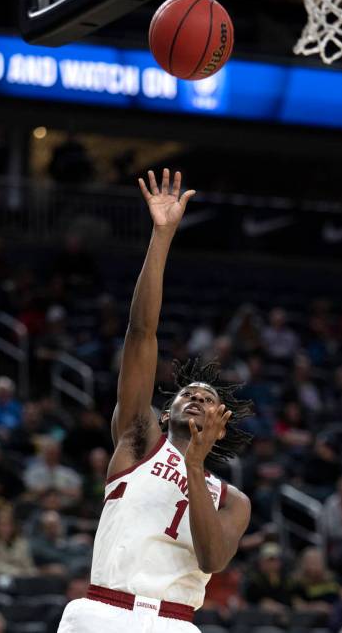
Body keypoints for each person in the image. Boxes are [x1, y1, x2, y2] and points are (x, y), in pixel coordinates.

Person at [57, 169, 253, 633]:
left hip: (175, 623)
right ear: (166, 412)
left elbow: (212, 557)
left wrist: (195, 464)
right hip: (105, 611)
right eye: (187, 394)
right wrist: (162, 236)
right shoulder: (140, 438)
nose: (196, 400)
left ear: (220, 427)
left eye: (207, 399)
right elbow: (142, 333)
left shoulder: (234, 501)